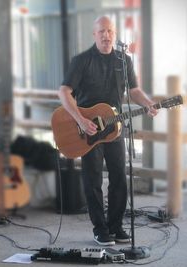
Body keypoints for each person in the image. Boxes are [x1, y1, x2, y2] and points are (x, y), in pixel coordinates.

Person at [58, 16, 158, 246]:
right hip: (88, 129)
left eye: (110, 31)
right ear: (94, 34)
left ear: (115, 34)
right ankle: (100, 229)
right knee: (92, 180)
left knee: (119, 179)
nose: (106, 35)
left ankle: (116, 226)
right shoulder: (82, 61)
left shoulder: (124, 61)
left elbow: (134, 90)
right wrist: (81, 120)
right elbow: (64, 91)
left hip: (115, 128)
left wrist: (148, 103)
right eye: (101, 31)